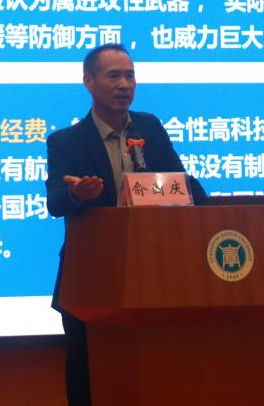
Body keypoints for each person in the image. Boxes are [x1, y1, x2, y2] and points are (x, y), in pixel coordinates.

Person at [45, 43, 205, 406]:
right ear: (88, 81)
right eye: (113, 76)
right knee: (90, 377)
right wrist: (77, 195)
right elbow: (55, 200)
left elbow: (182, 183)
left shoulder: (149, 128)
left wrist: (208, 205)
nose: (124, 84)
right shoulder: (66, 141)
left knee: (155, 375)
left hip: (152, 278)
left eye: (130, 75)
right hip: (90, 279)